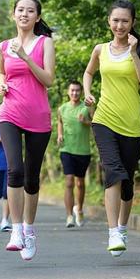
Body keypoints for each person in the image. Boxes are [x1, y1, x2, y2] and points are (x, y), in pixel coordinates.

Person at [83, 0, 140, 257]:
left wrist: (133, 53)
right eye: (116, 20)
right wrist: (88, 93)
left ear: (132, 22)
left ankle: (122, 227)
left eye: (125, 20)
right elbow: (89, 72)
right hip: (104, 119)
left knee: (128, 181)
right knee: (114, 172)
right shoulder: (100, 49)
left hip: (132, 123)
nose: (120, 25)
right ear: (108, 22)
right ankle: (113, 232)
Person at [0, 0, 55, 261]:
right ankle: (16, 230)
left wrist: (26, 58)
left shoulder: (45, 44)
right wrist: (1, 85)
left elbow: (49, 79)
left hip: (38, 116)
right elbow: (1, 73)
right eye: (20, 10)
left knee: (31, 177)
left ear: (37, 18)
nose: (24, 14)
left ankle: (29, 229)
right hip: (9, 112)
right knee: (14, 170)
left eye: (30, 11)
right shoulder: (3, 46)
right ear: (13, 14)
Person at [57, 81, 94, 228]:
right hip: (66, 149)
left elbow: (96, 122)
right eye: (72, 90)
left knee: (80, 183)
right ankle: (69, 216)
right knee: (69, 182)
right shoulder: (62, 108)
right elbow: (59, 122)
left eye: (78, 91)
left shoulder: (87, 106)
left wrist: (86, 122)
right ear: (68, 91)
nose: (75, 93)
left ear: (81, 92)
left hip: (83, 150)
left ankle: (79, 209)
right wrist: (59, 134)